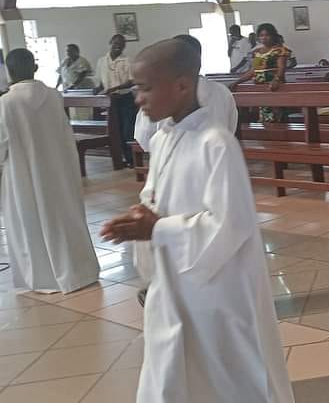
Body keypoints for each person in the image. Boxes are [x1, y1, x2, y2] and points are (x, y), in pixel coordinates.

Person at [100, 39, 293, 403]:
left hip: (214, 285)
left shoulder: (215, 142)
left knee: (222, 377)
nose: (138, 99)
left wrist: (158, 228)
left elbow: (231, 224)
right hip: (175, 277)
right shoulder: (165, 138)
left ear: (182, 85)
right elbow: (156, 196)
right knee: (171, 372)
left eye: (145, 88)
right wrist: (140, 216)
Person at [0, 49, 100, 294]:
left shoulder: (6, 102)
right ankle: (78, 271)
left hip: (22, 174)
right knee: (63, 217)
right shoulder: (54, 96)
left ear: (8, 72)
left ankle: (43, 276)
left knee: (30, 220)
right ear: (34, 68)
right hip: (57, 170)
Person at [134, 34, 237, 151]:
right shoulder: (222, 91)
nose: (139, 99)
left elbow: (145, 136)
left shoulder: (162, 91)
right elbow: (231, 126)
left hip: (172, 152)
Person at [228, 23, 291, 123]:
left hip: (274, 87)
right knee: (264, 116)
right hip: (260, 88)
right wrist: (237, 82)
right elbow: (253, 71)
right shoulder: (257, 52)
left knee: (277, 115)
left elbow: (281, 68)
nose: (264, 38)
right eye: (261, 35)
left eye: (267, 35)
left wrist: (276, 80)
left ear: (273, 36)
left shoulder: (280, 50)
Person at [96, 34, 138, 167]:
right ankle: (120, 158)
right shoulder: (102, 61)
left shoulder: (127, 61)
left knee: (127, 130)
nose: (118, 46)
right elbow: (101, 82)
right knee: (115, 130)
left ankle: (131, 159)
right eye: (116, 43)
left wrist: (115, 88)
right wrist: (98, 90)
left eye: (122, 44)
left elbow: (132, 81)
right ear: (110, 43)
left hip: (125, 99)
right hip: (110, 101)